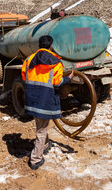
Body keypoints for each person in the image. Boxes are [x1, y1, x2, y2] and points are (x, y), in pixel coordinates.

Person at [21, 35, 74, 170]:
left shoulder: (28, 60)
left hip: (32, 99)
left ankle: (44, 145)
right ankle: (35, 160)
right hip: (44, 101)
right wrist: (68, 78)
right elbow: (57, 82)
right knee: (41, 130)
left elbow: (24, 76)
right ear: (51, 46)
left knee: (40, 125)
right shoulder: (55, 62)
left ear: (39, 45)